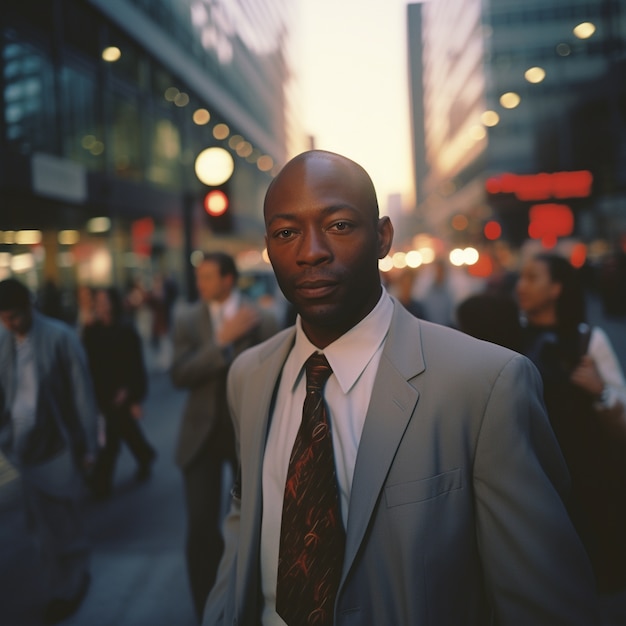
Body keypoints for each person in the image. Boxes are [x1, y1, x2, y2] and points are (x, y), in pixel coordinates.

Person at [202, 150, 600, 626]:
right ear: (269, 247)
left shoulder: (485, 384)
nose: (311, 251)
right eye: (287, 233)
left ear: (383, 237)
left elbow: (546, 603)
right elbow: (245, 525)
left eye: (339, 225)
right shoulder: (248, 376)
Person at [516, 252, 626, 620]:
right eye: (521, 277)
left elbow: (621, 420)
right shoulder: (509, 337)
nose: (522, 286)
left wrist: (599, 391)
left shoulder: (586, 341)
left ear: (557, 287)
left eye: (532, 277)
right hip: (530, 483)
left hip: (587, 486)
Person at [170, 251, 279, 621]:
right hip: (199, 437)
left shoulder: (262, 319)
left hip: (244, 434)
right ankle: (206, 609)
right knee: (201, 528)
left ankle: (248, 600)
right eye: (198, 277)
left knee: (252, 523)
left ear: (228, 280)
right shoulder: (186, 318)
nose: (200, 284)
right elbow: (178, 375)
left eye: (208, 277)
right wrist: (220, 343)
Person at [0, 278, 98, 623]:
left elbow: (81, 394)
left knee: (63, 520)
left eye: (15, 316)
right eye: (4, 318)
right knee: (39, 525)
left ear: (29, 308)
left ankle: (71, 584)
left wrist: (88, 447)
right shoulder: (3, 340)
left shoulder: (59, 337)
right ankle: (63, 584)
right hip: (20, 445)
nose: (11, 324)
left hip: (58, 444)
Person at [82, 287, 155, 499]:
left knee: (111, 437)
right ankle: (144, 456)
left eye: (106, 301)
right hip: (101, 391)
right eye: (99, 301)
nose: (102, 305)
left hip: (121, 391)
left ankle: (101, 482)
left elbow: (134, 364)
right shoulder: (91, 330)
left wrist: (131, 392)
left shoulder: (125, 330)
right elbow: (87, 362)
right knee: (125, 431)